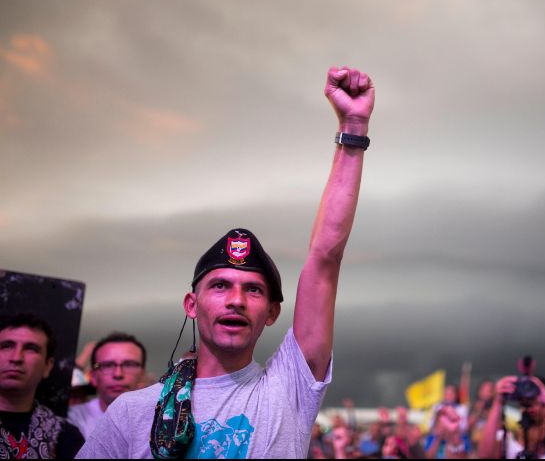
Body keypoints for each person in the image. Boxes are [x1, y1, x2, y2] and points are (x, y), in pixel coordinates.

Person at [76, 65, 375, 459]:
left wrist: (353, 127)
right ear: (191, 303)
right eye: (220, 286)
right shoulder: (131, 413)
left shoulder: (288, 391)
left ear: (271, 312)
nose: (236, 299)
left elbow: (325, 258)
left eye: (253, 290)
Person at [0, 313, 84, 458]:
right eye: (6, 346)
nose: (16, 358)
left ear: (47, 366)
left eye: (31, 348)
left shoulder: (65, 436)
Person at [68, 332, 147, 439]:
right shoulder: (71, 420)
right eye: (107, 365)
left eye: (129, 365)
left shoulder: (161, 422)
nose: (118, 374)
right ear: (94, 377)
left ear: (142, 375)